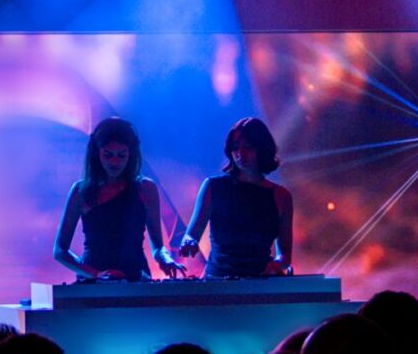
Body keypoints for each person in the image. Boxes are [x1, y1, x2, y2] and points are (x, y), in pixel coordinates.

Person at [54, 117, 178, 281]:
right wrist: (95, 274)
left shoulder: (146, 188)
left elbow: (158, 247)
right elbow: (60, 251)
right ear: (97, 154)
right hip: (93, 282)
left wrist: (166, 258)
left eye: (121, 155)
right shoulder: (81, 191)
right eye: (108, 155)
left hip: (136, 278)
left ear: (130, 155)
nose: (115, 162)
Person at [174, 117, 294, 278]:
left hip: (259, 284)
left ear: (263, 148)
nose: (240, 154)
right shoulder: (213, 186)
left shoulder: (281, 196)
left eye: (248, 147)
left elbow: (285, 256)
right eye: (235, 147)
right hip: (217, 283)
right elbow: (191, 234)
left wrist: (274, 266)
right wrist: (189, 242)